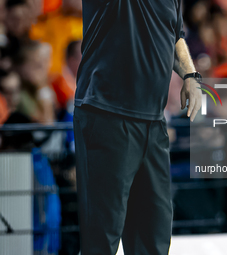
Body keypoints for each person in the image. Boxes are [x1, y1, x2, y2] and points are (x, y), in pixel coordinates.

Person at [73, 0, 202, 254]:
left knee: (154, 235)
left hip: (154, 121)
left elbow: (174, 34)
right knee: (102, 237)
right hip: (107, 114)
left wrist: (190, 74)